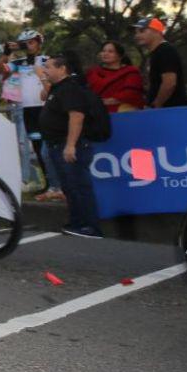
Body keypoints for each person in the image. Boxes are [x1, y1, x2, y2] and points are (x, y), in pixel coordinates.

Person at [39, 50, 104, 238]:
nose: (45, 70)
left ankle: (91, 226)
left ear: (62, 69)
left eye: (49, 67)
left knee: (80, 186)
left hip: (67, 146)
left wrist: (70, 145)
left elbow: (76, 116)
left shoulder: (69, 88)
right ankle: (77, 223)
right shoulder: (57, 88)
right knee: (69, 187)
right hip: (56, 145)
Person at [0, 29, 53, 193]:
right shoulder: (20, 62)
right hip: (28, 110)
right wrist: (6, 54)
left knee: (49, 147)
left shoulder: (47, 60)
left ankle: (57, 184)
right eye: (25, 43)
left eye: (32, 42)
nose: (29, 46)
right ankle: (48, 183)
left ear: (39, 43)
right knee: (37, 147)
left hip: (46, 108)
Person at [133, 18, 187, 109]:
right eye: (136, 32)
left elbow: (169, 83)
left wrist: (157, 104)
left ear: (157, 32)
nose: (137, 35)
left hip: (173, 111)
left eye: (142, 31)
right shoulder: (156, 53)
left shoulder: (165, 50)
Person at [86, 40, 145, 113]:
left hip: (123, 111)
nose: (105, 53)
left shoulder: (130, 71)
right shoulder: (93, 72)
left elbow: (131, 93)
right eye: (103, 51)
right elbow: (88, 93)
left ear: (119, 56)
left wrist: (106, 102)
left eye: (110, 51)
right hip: (96, 111)